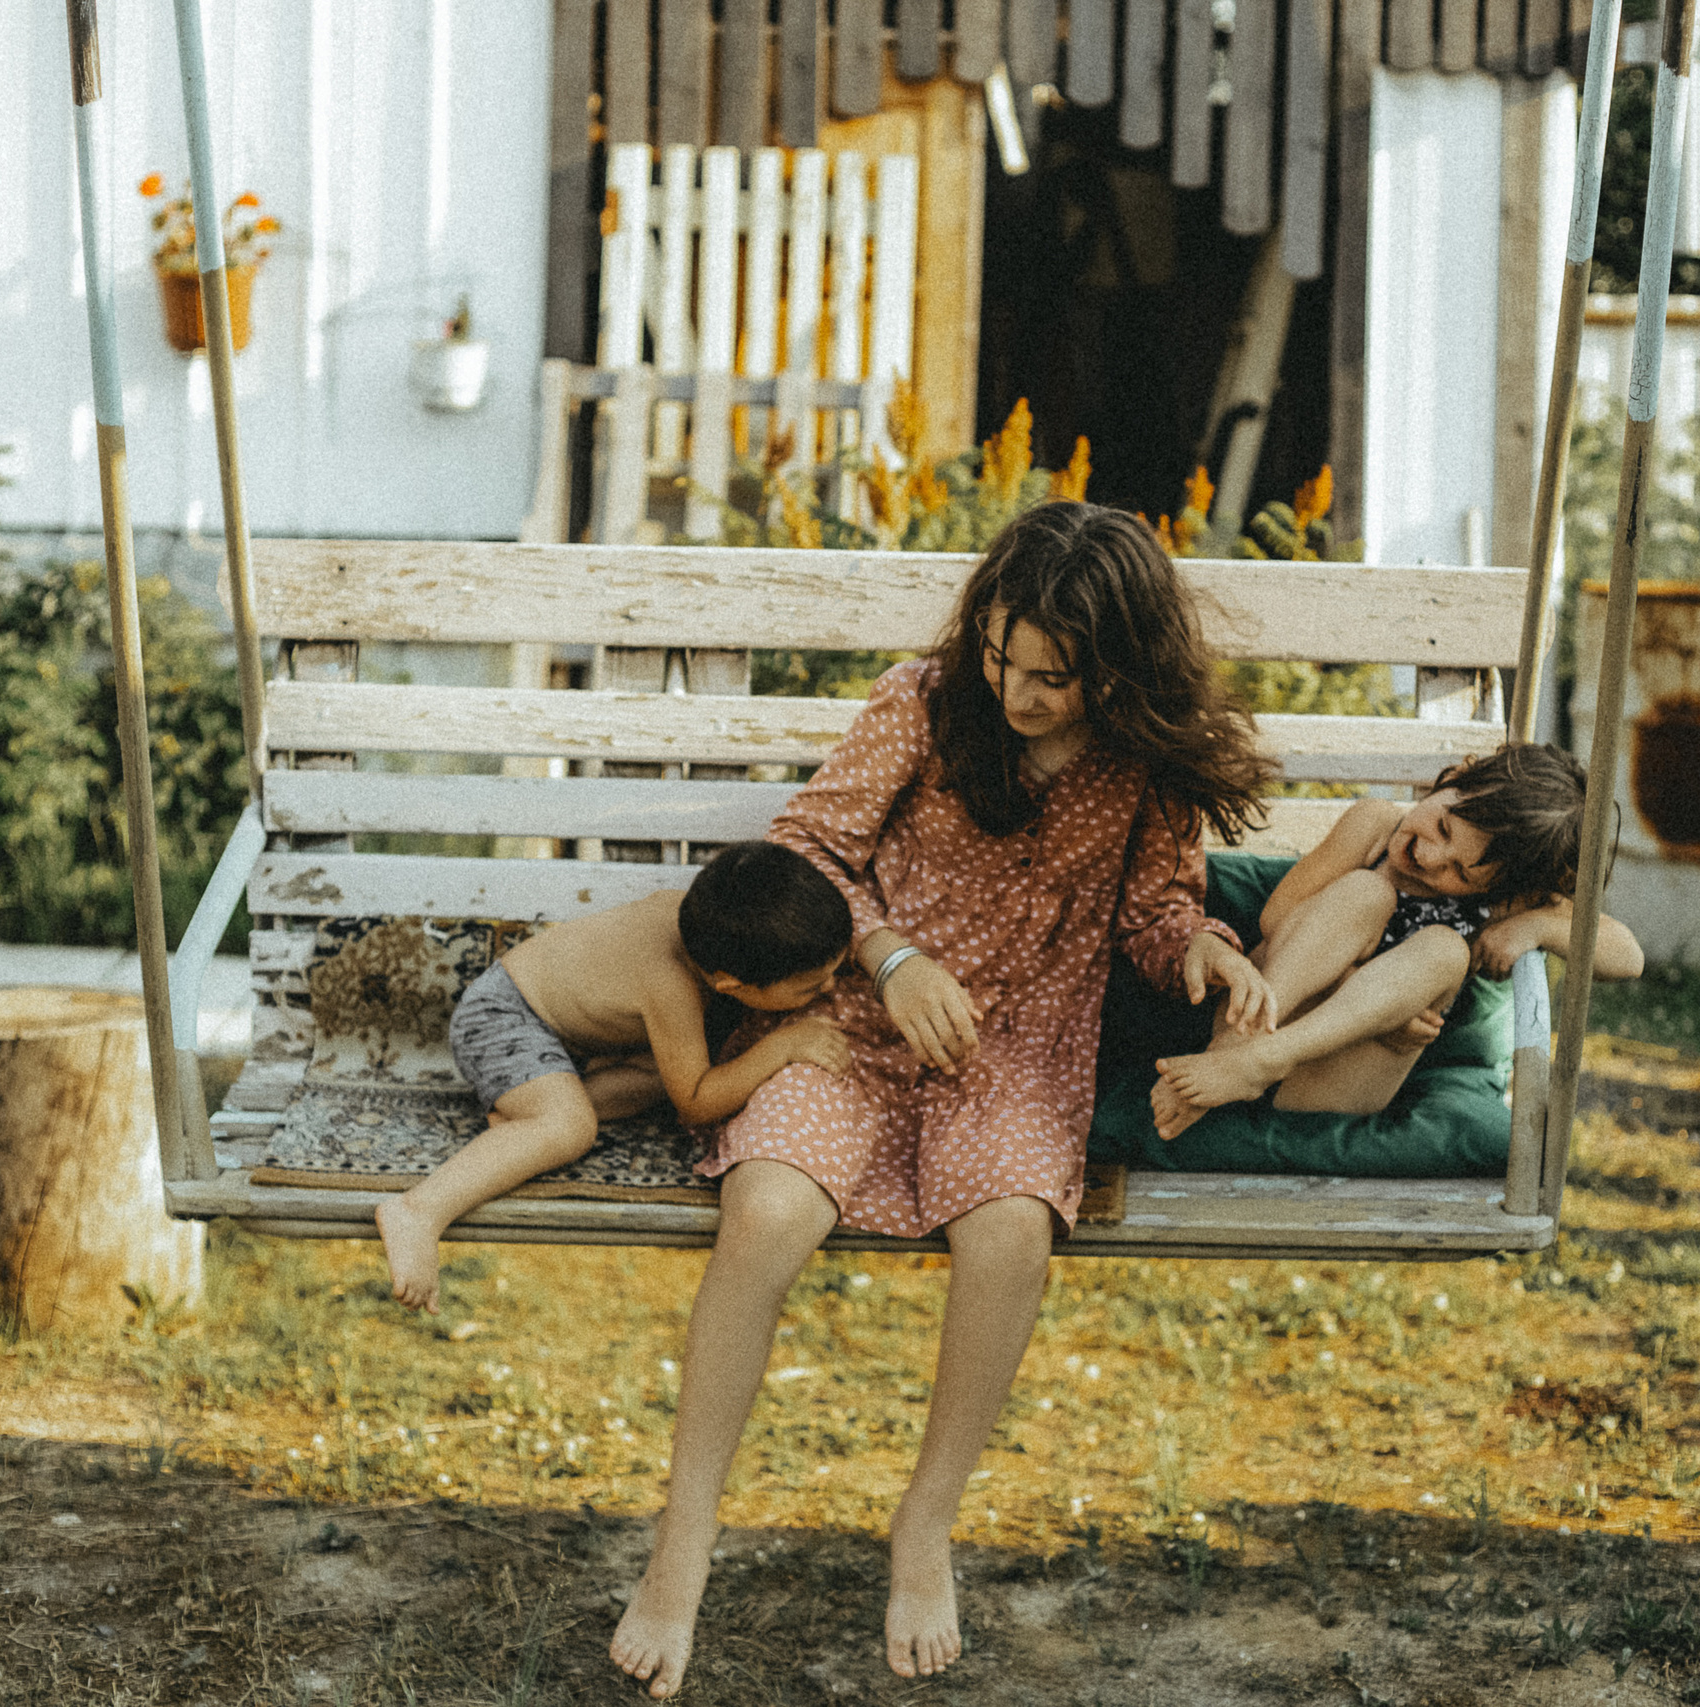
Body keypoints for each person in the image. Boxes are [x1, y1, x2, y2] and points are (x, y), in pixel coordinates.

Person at [609, 503, 1279, 1697]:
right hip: (852, 1022)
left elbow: (1154, 909)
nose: (1018, 692)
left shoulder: (1144, 761)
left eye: (1053, 677)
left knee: (1010, 1229)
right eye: (1002, 657)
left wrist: (1201, 952)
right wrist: (892, 959)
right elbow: (811, 847)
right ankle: (685, 1534)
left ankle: (924, 1524)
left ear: (1117, 668)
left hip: (1013, 1050)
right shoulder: (922, 704)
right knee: (765, 1212)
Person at [375, 841, 854, 1313]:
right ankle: (419, 1211)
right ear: (730, 984)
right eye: (812, 987)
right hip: (502, 1019)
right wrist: (781, 1048)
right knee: (571, 1128)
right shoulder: (670, 982)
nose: (829, 988)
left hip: (575, 1039)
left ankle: (528, 1118)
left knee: (667, 1074)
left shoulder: (706, 920)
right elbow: (696, 1103)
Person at [1151, 744, 1644, 1139]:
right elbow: (1276, 920)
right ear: (1452, 780)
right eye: (1443, 827)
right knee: (1367, 892)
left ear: (1499, 889)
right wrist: (1368, 995)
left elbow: (1628, 957)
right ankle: (1233, 1053)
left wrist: (1537, 927)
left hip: (1333, 1077)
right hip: (1262, 1015)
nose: (1431, 857)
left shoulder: (1502, 905)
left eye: (1460, 872)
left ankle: (1259, 1062)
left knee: (1447, 949)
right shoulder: (1374, 826)